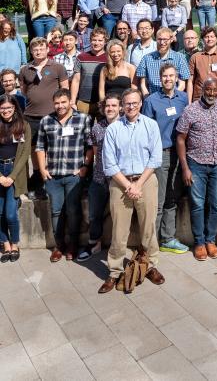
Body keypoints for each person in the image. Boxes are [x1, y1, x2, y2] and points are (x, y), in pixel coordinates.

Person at [99, 88, 164, 293]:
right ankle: (115, 271)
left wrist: (138, 184)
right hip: (120, 183)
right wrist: (128, 186)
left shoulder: (151, 125)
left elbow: (155, 158)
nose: (131, 106)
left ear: (140, 104)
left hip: (145, 181)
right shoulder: (113, 129)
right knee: (119, 230)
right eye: (127, 103)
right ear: (121, 106)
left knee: (148, 227)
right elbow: (109, 164)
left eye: (134, 103)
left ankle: (150, 265)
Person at [176, 77, 217, 261]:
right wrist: (185, 168)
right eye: (208, 90)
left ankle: (210, 240)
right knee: (198, 205)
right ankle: (199, 243)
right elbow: (180, 139)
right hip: (196, 164)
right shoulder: (190, 111)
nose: (212, 93)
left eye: (215, 90)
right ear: (201, 89)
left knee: (215, 204)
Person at [36, 88, 91, 262]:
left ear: (69, 102)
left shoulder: (83, 119)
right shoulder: (46, 121)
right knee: (56, 211)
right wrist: (43, 170)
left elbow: (90, 146)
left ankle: (73, 246)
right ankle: (58, 246)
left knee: (74, 211)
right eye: (57, 103)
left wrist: (85, 166)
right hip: (53, 176)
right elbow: (39, 147)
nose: (60, 106)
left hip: (74, 175)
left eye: (63, 102)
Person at [141, 63, 189, 255]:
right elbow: (145, 131)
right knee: (158, 200)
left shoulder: (183, 98)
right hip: (160, 154)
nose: (168, 79)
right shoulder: (152, 100)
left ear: (176, 77)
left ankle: (167, 238)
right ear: (160, 79)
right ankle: (151, 240)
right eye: (165, 77)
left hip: (180, 155)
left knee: (172, 197)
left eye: (171, 76)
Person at [19, 38, 69, 198]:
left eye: (41, 49)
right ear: (31, 52)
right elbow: (24, 90)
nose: (38, 52)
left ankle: (53, 179)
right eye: (35, 50)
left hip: (52, 116)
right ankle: (38, 178)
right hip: (31, 116)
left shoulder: (57, 67)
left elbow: (65, 89)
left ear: (47, 49)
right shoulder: (25, 69)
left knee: (52, 148)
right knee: (34, 148)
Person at [78, 94, 121, 262]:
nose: (110, 109)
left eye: (113, 106)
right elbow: (96, 153)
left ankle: (119, 247)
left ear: (120, 108)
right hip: (100, 177)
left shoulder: (126, 126)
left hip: (120, 179)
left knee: (120, 216)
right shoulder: (97, 128)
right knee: (94, 214)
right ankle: (93, 242)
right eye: (107, 106)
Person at [0, 95, 30, 263]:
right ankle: (5, 244)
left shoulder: (23, 125)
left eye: (8, 108)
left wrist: (11, 176)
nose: (5, 111)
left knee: (10, 214)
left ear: (14, 108)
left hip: (14, 172)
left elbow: (25, 153)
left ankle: (15, 243)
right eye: (2, 108)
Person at [136, 27, 190, 96]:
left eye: (165, 39)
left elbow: (182, 84)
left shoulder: (180, 57)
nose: (162, 43)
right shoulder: (146, 58)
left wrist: (172, 98)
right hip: (153, 99)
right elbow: (143, 84)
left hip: (173, 99)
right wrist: (148, 99)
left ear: (171, 40)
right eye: (159, 39)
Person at [188, 27, 217, 105]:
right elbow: (190, 81)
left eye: (212, 36)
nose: (209, 39)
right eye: (206, 37)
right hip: (199, 100)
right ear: (202, 39)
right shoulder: (195, 57)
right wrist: (189, 103)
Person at [70, 27, 107, 118]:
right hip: (83, 101)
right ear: (90, 41)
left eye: (100, 40)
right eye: (94, 40)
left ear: (105, 41)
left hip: (102, 101)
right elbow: (76, 80)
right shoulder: (81, 57)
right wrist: (73, 101)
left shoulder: (109, 58)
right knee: (83, 130)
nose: (97, 43)